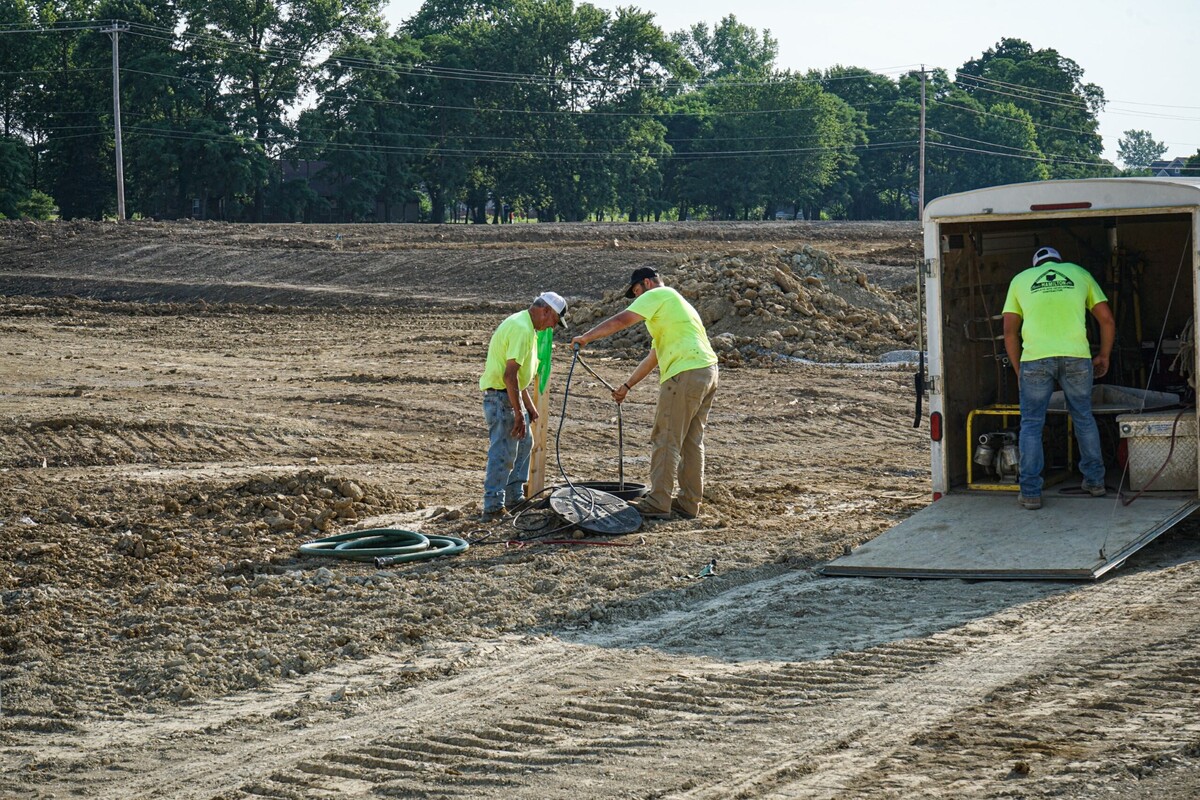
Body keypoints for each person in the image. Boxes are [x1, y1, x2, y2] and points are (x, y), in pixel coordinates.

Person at [572, 267, 719, 520]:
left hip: (684, 373)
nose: (639, 299)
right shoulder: (675, 306)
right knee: (691, 442)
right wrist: (627, 386)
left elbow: (621, 320)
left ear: (648, 283)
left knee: (666, 438)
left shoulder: (658, 294)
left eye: (638, 292)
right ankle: (688, 503)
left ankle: (658, 501)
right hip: (707, 371)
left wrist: (587, 337)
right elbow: (654, 356)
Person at [1003, 246, 1115, 510]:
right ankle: (1095, 481)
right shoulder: (1079, 274)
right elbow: (1107, 320)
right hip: (1076, 357)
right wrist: (1104, 355)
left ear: (1036, 265)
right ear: (1059, 262)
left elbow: (1009, 332)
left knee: (1031, 424)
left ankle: (1030, 492)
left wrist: (1020, 369)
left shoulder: (1020, 280)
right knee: (1083, 417)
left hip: (1036, 360)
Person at [479, 292, 568, 522]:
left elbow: (520, 377)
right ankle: (493, 506)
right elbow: (510, 376)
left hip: (508, 396)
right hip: (501, 399)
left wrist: (528, 406)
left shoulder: (527, 327)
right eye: (554, 321)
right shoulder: (522, 329)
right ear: (545, 311)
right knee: (503, 451)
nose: (552, 327)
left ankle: (514, 497)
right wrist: (518, 413)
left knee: (525, 442)